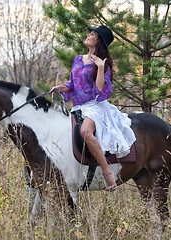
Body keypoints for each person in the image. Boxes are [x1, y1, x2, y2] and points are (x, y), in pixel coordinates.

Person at [51, 25, 136, 191]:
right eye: (90, 32)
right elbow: (73, 83)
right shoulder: (78, 59)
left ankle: (107, 172)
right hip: (79, 107)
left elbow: (98, 91)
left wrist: (101, 68)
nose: (88, 35)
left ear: (99, 41)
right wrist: (62, 88)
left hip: (95, 106)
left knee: (85, 132)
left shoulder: (103, 64)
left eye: (93, 34)